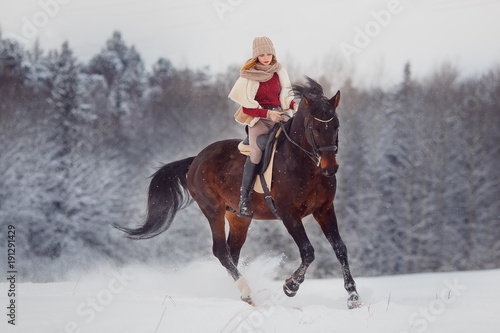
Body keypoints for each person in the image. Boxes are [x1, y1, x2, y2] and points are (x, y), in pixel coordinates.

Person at [228, 36, 297, 218]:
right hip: (259, 119)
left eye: (269, 54)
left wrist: (293, 105)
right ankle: (245, 198)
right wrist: (267, 114)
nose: (266, 58)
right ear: (256, 56)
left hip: (279, 115)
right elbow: (246, 106)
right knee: (257, 153)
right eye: (262, 55)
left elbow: (286, 95)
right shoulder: (249, 75)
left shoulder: (279, 72)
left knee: (295, 143)